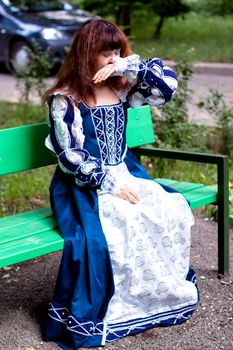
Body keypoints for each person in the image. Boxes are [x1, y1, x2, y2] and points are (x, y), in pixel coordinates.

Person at [42, 18, 198, 350]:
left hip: (125, 171)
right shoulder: (65, 98)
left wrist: (127, 65)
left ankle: (152, 298)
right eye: (105, 53)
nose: (113, 59)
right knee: (123, 220)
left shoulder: (121, 86)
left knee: (169, 208)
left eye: (117, 51)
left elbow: (166, 86)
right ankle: (113, 309)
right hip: (82, 184)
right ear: (86, 55)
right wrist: (108, 183)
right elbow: (69, 155)